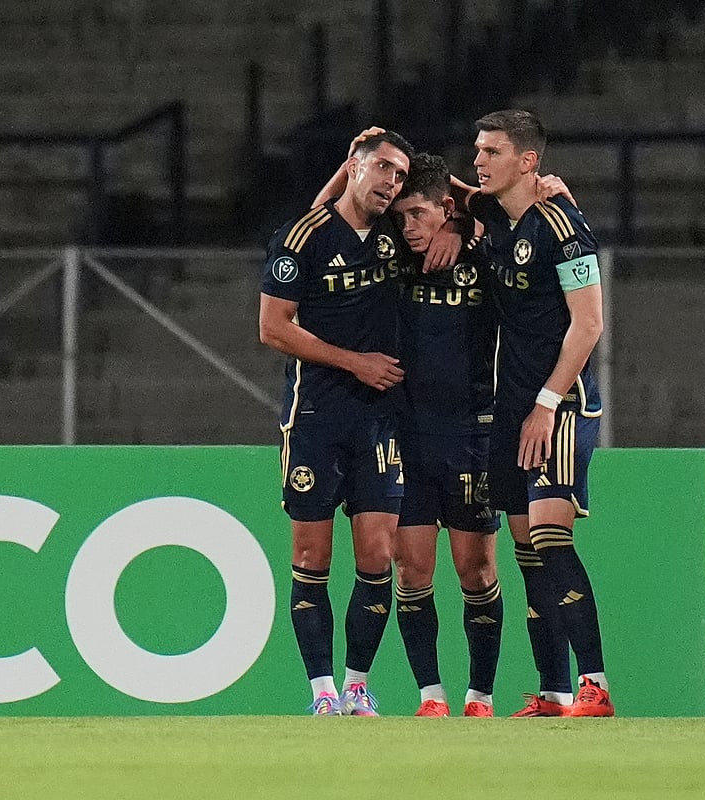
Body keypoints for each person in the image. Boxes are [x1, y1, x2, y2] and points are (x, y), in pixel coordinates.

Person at [458, 109, 614, 717]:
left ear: (528, 161)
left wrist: (547, 403)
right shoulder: (498, 215)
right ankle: (553, 691)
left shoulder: (564, 227)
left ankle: (594, 685)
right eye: (477, 150)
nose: (480, 161)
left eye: (492, 151)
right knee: (527, 551)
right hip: (510, 408)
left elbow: (590, 322)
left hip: (563, 404)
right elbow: (451, 190)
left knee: (551, 534)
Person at [259, 129, 416, 716]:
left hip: (379, 419)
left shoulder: (396, 236)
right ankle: (321, 691)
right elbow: (273, 328)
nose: (391, 183)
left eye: (399, 176)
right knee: (312, 556)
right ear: (353, 165)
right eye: (382, 169)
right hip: (316, 417)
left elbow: (462, 206)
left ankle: (357, 684)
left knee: (378, 554)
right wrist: (356, 363)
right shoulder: (301, 238)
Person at [389, 153, 504, 718]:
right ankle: (430, 696)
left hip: (472, 432)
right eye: (401, 215)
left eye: (419, 215)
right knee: (412, 570)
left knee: (476, 570)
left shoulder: (484, 258)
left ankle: (479, 697)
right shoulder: (391, 257)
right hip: (405, 436)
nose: (409, 227)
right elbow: (319, 227)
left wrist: (464, 221)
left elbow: (529, 214)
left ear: (447, 209)